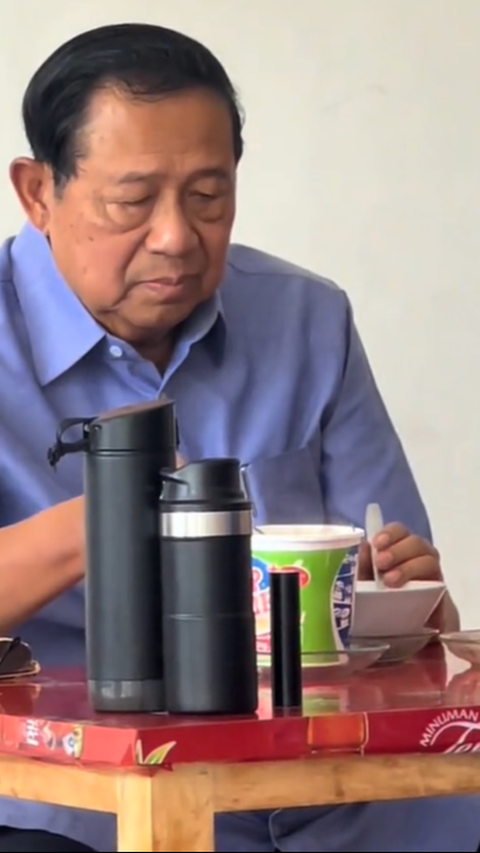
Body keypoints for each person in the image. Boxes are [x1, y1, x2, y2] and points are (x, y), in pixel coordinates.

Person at [0, 21, 474, 853]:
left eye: (209, 196)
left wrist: (407, 595)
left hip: (326, 787)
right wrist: (104, 524)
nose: (178, 236)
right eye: (132, 200)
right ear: (39, 192)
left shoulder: (305, 320)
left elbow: (421, 620)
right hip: (67, 801)